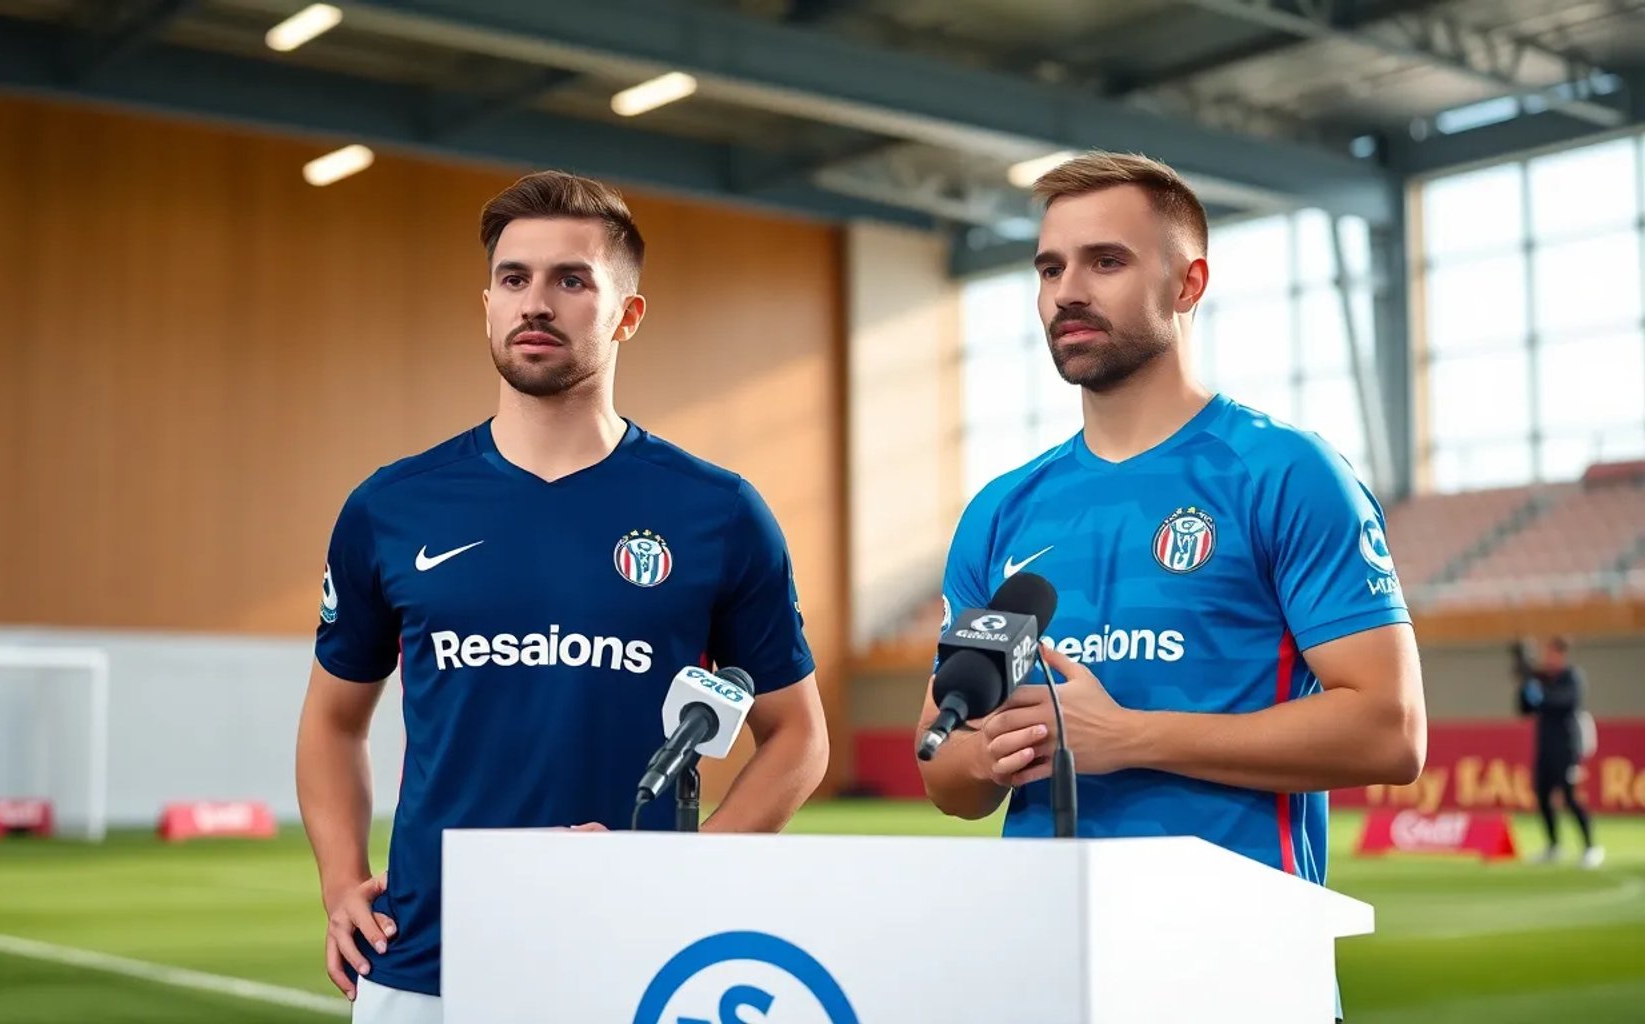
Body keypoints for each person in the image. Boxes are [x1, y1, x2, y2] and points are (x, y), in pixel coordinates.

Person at [295, 170, 830, 1022]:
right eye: (515, 279)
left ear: (627, 314)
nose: (534, 303)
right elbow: (332, 720)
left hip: (640, 954)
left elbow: (797, 738)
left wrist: (682, 873)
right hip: (427, 957)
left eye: (571, 280)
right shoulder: (391, 508)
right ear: (487, 305)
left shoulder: (718, 511)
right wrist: (337, 879)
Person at [915, 152, 1427, 1021]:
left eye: (1105, 262)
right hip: (1047, 971)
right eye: (1050, 267)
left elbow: (1390, 730)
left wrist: (1127, 737)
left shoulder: (1284, 473)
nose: (1067, 290)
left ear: (1188, 284)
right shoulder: (1000, 512)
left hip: (1241, 970)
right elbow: (945, 772)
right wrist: (985, 754)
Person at [1512, 636, 1603, 867]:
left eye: (1552, 653)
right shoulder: (1541, 679)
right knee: (1542, 797)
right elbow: (1524, 709)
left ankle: (1591, 847)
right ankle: (1553, 846)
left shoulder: (1571, 677)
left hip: (1567, 749)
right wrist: (1525, 683)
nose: (1548, 658)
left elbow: (1565, 703)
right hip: (1545, 749)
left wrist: (1540, 695)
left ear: (1562, 654)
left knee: (1571, 798)